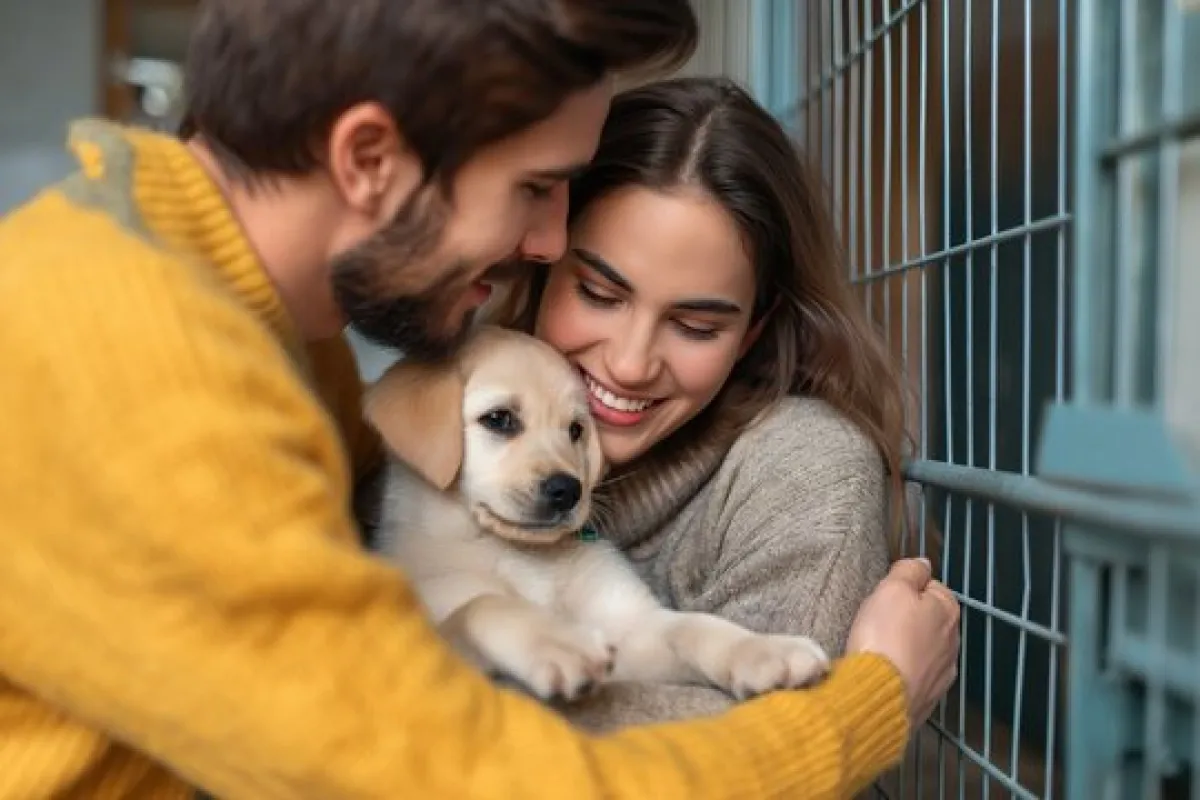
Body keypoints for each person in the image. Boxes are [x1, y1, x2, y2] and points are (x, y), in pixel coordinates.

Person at [0, 1, 960, 799]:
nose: (545, 243)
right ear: (369, 158)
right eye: (535, 189)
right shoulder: (132, 356)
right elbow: (461, 777)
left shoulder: (274, 326)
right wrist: (860, 710)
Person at [481, 74, 915, 733]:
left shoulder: (803, 471)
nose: (629, 363)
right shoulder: (458, 403)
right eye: (599, 293)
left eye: (695, 327)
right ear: (542, 265)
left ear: (752, 334)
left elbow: (767, 756)